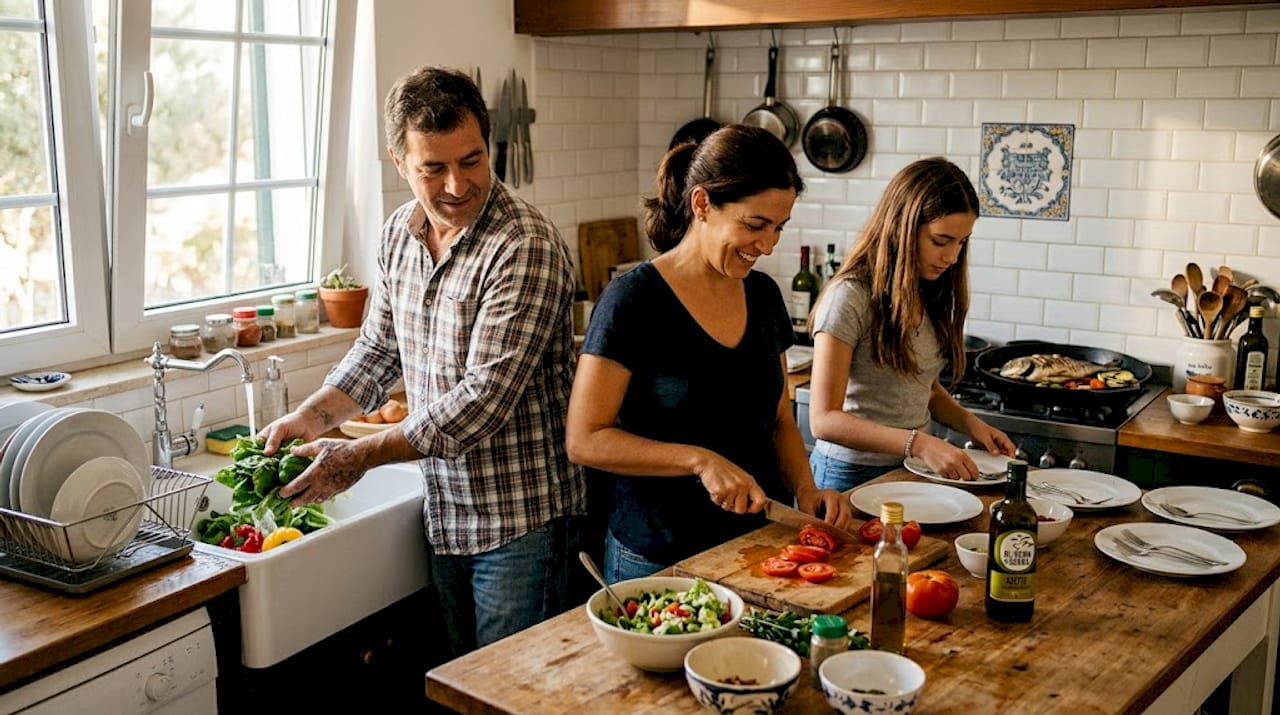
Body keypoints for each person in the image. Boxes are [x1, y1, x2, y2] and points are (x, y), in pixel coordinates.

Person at [259, 66, 586, 657]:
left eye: (473, 160)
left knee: (511, 696)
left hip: (524, 522)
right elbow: (379, 349)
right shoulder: (396, 236)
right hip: (447, 513)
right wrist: (310, 418)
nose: (458, 185)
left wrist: (357, 457)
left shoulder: (524, 245)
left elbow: (481, 403)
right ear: (399, 162)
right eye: (435, 168)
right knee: (462, 688)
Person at [565, 125, 854, 584]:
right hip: (660, 555)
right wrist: (699, 460)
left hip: (759, 545)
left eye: (778, 228)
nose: (767, 245)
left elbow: (779, 418)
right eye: (755, 225)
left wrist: (807, 490)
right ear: (702, 204)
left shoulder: (763, 296)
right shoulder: (632, 300)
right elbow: (585, 439)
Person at [807, 157, 1016, 492]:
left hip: (910, 472)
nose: (951, 256)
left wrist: (973, 425)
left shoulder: (927, 291)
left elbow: (923, 388)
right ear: (903, 227)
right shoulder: (850, 297)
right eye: (941, 240)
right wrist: (919, 443)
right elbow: (824, 420)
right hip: (849, 474)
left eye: (961, 243)